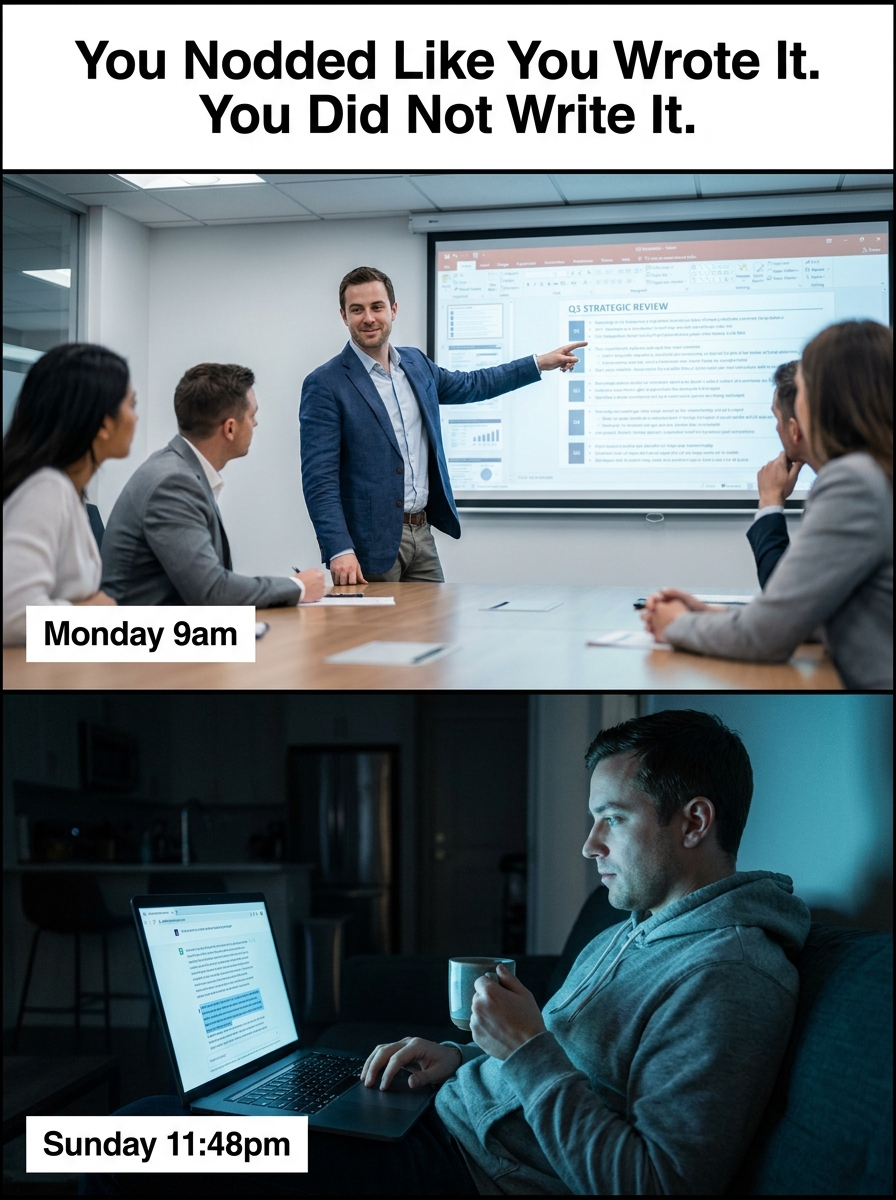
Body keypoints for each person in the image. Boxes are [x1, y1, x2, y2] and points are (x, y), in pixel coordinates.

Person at [86, 709, 811, 1196]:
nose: (589, 845)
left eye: (612, 820)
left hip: (457, 1170)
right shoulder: (639, 926)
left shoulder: (731, 976)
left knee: (129, 1141)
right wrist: (458, 1056)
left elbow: (656, 1182)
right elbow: (564, 1061)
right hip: (439, 1121)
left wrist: (525, 1049)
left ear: (694, 823)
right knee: (144, 1123)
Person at [642, 320, 892, 690]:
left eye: (804, 386)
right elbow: (813, 615)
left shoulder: (854, 481)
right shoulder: (877, 472)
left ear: (824, 401)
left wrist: (676, 625)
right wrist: (713, 614)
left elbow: (765, 639)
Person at [300, 266, 586, 584]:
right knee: (378, 621)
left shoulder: (416, 364)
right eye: (357, 310)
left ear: (393, 310)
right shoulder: (325, 384)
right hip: (367, 546)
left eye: (377, 307)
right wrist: (339, 549)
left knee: (436, 617)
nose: (369, 318)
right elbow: (319, 480)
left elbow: (473, 384)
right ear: (344, 316)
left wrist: (537, 363)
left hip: (421, 534)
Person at [101, 363, 325, 606]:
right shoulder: (172, 484)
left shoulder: (180, 471)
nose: (255, 424)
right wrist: (298, 587)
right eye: (252, 416)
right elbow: (212, 592)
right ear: (230, 428)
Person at [3, 343, 137, 646]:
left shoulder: (64, 488)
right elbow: (13, 616)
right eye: (131, 405)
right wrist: (91, 612)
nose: (135, 418)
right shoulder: (46, 488)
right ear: (104, 424)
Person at [748, 359, 808, 588]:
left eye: (777, 418)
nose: (776, 428)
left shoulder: (845, 492)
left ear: (793, 429)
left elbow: (783, 592)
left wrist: (770, 502)